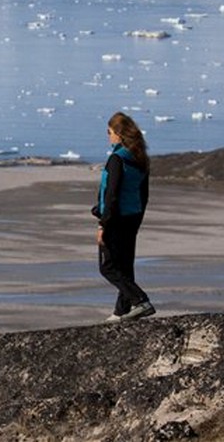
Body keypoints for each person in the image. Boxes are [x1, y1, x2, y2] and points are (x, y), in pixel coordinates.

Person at [92, 112, 156, 322]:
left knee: (108, 266)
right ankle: (121, 311)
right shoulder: (139, 158)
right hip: (132, 218)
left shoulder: (117, 159)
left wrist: (103, 224)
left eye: (109, 132)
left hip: (116, 219)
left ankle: (140, 301)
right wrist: (137, 219)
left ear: (119, 134)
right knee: (125, 266)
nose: (108, 136)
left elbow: (112, 195)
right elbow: (143, 195)